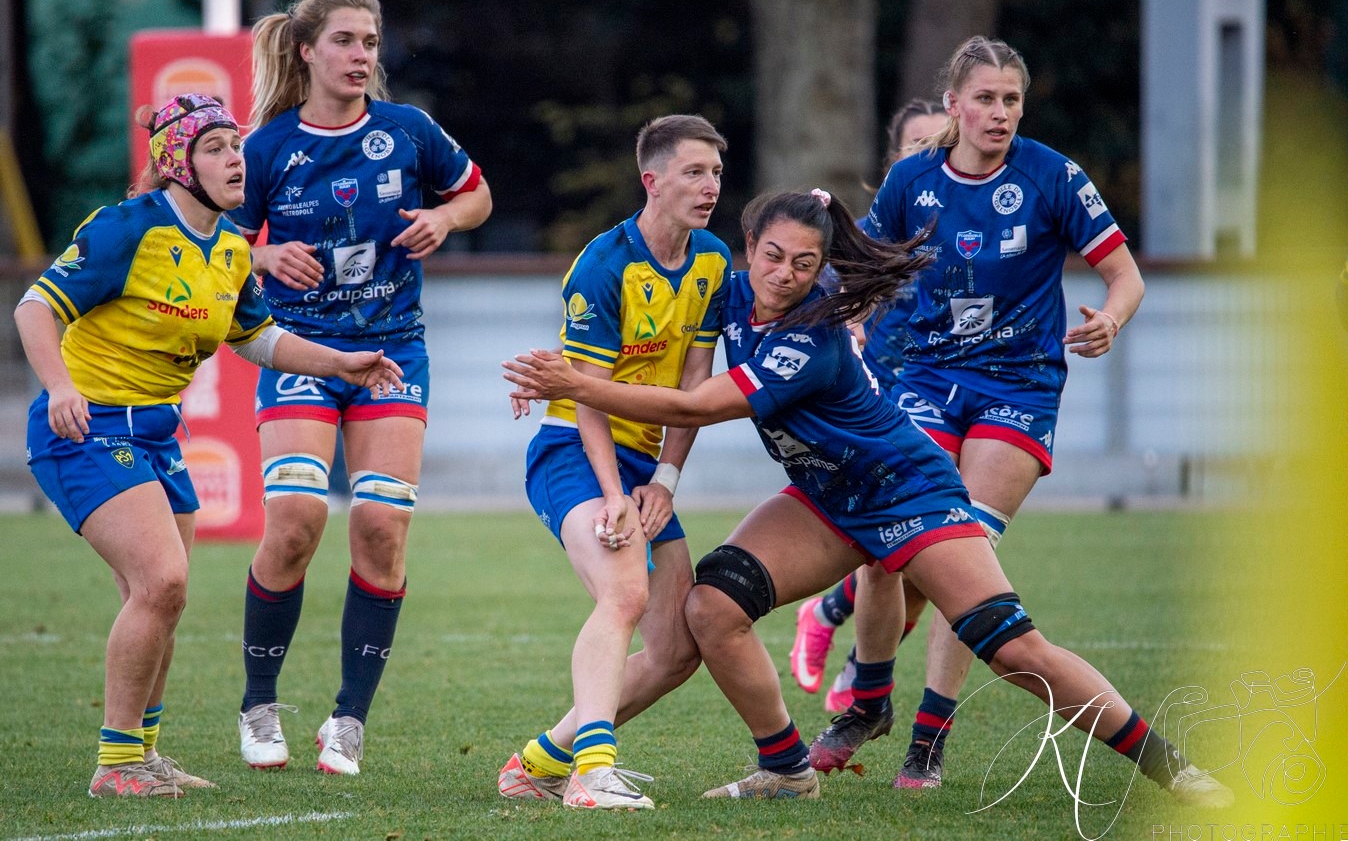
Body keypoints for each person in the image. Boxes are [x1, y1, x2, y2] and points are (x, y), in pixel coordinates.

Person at [503, 187, 1230, 809]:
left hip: (907, 492)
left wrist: (574, 384)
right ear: (749, 247)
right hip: (827, 496)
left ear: (821, 269)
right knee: (712, 607)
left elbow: (698, 406)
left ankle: (1173, 768)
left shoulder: (810, 335)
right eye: (773, 256)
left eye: (805, 264)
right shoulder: (727, 289)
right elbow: (656, 334)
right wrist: (565, 372)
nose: (785, 275)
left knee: (1012, 649)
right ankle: (786, 771)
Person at [17, 93, 403, 798]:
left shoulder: (229, 250)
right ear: (177, 161)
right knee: (161, 583)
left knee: (162, 596)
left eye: (238, 147)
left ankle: (143, 754)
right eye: (217, 148)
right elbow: (34, 307)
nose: (236, 160)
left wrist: (342, 363)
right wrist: (60, 386)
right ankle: (116, 765)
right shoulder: (127, 228)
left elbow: (258, 339)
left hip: (156, 435)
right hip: (86, 429)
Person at [801, 35, 1147, 792]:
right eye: (985, 99)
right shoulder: (912, 179)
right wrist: (831, 317)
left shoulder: (1053, 175)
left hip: (1018, 386)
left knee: (963, 555)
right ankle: (868, 704)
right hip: (924, 377)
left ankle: (928, 738)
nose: (1000, 113)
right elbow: (864, 269)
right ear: (953, 104)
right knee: (890, 542)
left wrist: (1112, 319)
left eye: (1011, 100)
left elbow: (1125, 275)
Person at [228, 0, 492, 776]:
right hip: (302, 356)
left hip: (390, 354)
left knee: (381, 527)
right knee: (296, 517)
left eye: (370, 42)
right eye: (345, 40)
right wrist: (263, 255)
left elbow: (477, 195)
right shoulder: (266, 148)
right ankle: (259, 703)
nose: (361, 56)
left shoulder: (408, 131)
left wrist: (445, 217)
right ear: (307, 50)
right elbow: (213, 246)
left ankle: (348, 720)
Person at [495, 114, 732, 810]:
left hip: (644, 465)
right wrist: (616, 494)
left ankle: (538, 764)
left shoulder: (713, 260)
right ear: (651, 181)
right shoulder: (604, 265)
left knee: (675, 650)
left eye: (717, 173)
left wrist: (664, 482)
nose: (711, 186)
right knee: (625, 595)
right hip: (574, 450)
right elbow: (584, 398)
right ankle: (593, 775)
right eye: (694, 172)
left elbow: (694, 388)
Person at [790, 98, 948, 712]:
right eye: (917, 146)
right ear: (894, 160)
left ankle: (848, 644)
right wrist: (844, 319)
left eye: (942, 144)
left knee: (933, 553)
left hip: (951, 396)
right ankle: (854, 656)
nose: (931, 157)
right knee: (915, 541)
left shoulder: (974, 228)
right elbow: (824, 291)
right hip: (882, 402)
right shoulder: (869, 233)